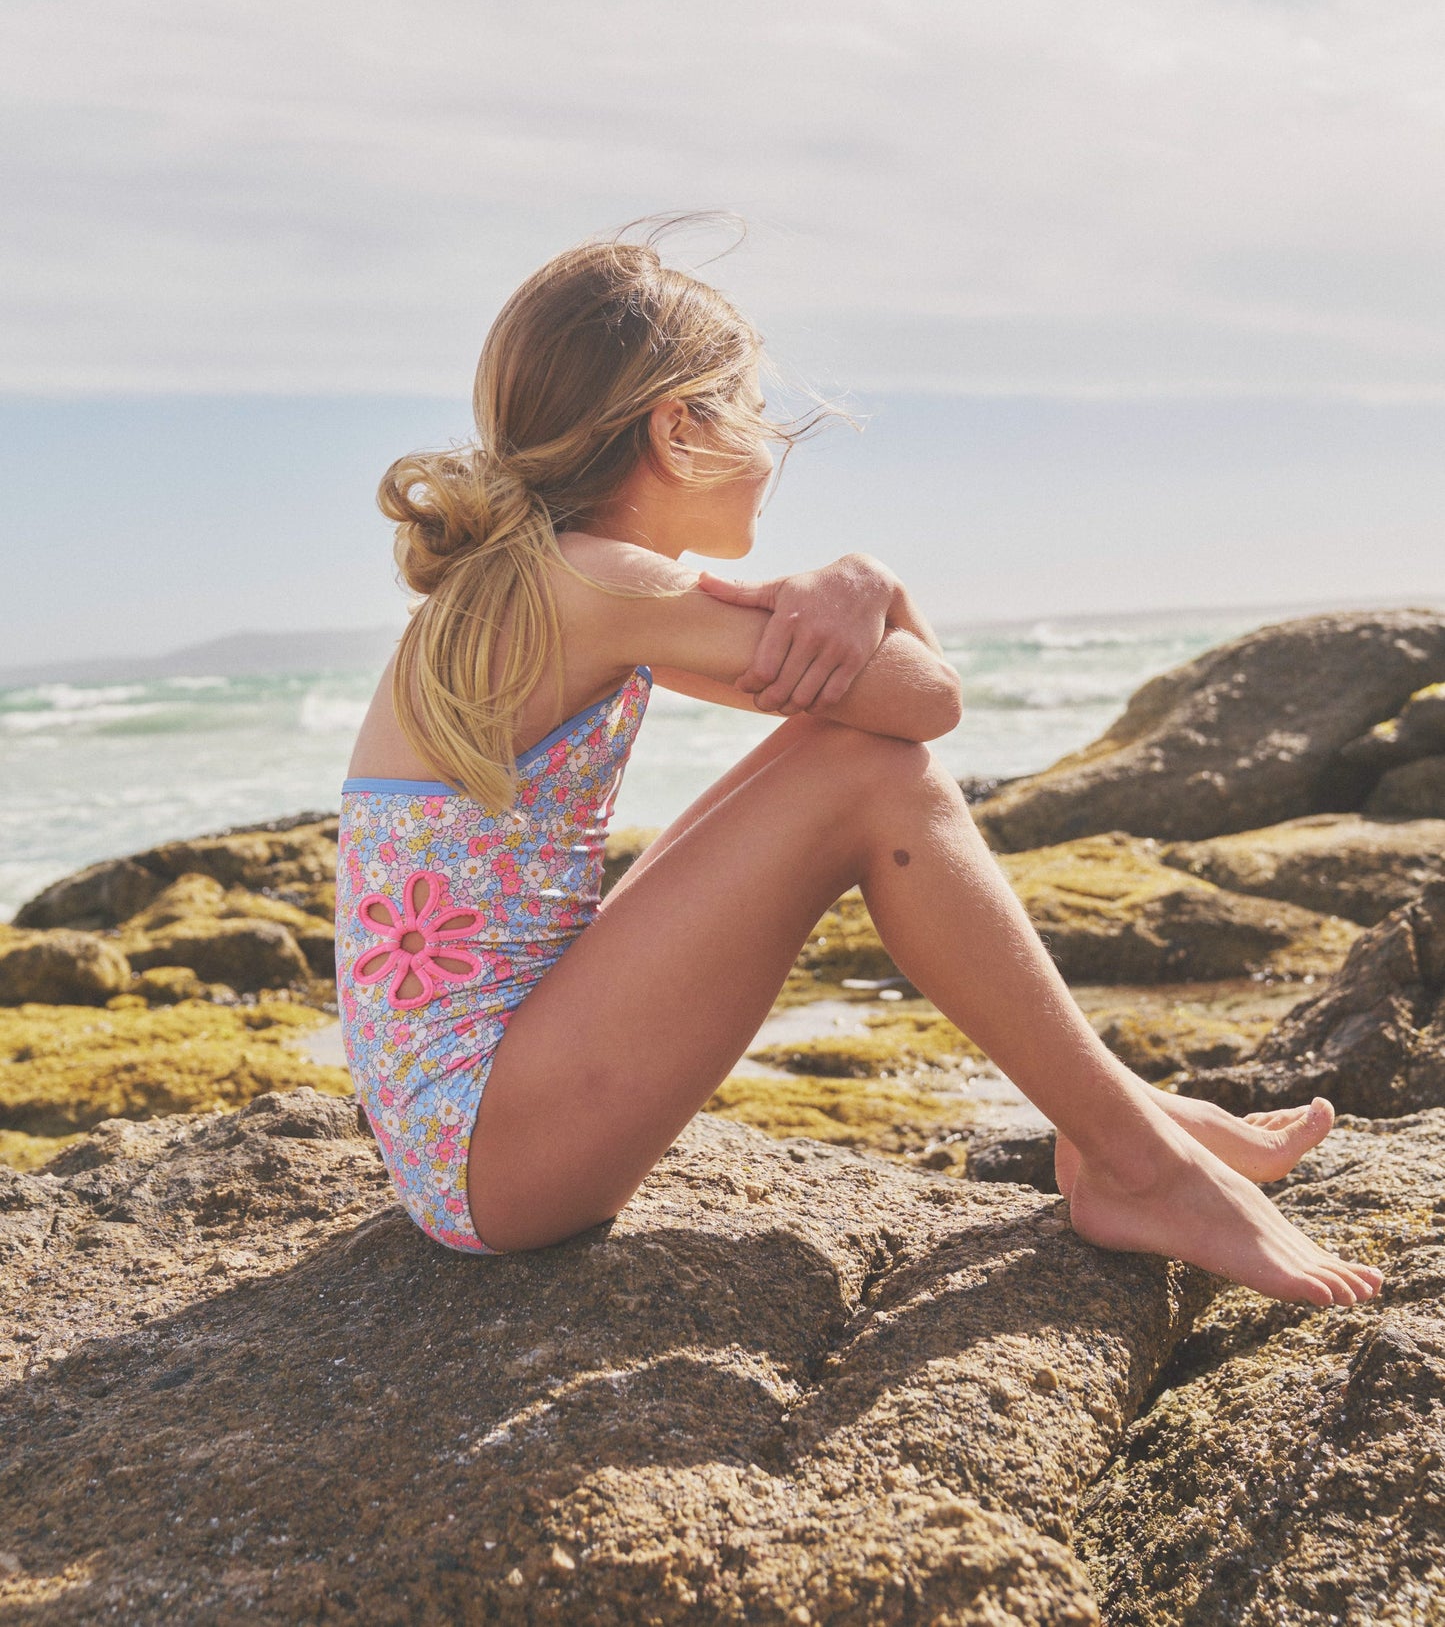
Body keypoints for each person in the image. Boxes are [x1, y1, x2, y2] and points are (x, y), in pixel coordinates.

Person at [338, 223, 1382, 1309]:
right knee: (871, 782)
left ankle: (1113, 1113)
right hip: (494, 1158)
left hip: (466, 1134)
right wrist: (868, 582)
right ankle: (1136, 1164)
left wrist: (857, 584)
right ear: (678, 428)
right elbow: (921, 707)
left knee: (846, 758)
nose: (772, 441)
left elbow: (884, 713)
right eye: (751, 408)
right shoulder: (598, 579)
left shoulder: (546, 578)